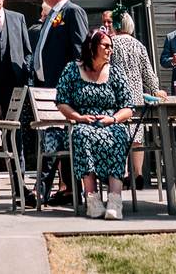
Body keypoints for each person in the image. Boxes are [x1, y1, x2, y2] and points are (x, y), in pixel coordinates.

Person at [55, 29, 134, 221]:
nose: (110, 50)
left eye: (111, 47)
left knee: (118, 134)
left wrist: (114, 119)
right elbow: (61, 101)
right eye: (105, 46)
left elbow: (128, 107)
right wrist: (78, 117)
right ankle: (92, 199)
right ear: (92, 47)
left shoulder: (115, 72)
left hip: (110, 122)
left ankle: (115, 200)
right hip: (83, 122)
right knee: (82, 134)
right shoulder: (72, 70)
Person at [31, 0, 88, 206]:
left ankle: (42, 190)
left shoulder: (72, 12)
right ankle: (68, 190)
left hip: (63, 87)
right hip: (47, 85)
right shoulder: (52, 14)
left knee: (55, 136)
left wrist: (74, 84)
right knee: (57, 136)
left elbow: (79, 51)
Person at [108, 12, 161, 181]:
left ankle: (121, 173)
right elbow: (148, 74)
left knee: (118, 134)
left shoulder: (111, 44)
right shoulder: (139, 45)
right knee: (137, 135)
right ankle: (137, 173)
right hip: (136, 94)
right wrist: (155, 90)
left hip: (116, 93)